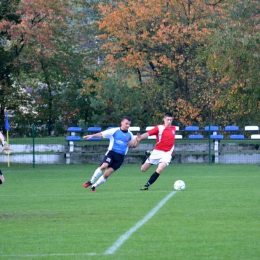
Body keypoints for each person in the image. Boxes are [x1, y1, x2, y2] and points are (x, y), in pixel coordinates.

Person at [82, 116, 139, 192]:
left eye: (129, 124)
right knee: (104, 165)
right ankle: (91, 181)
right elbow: (102, 134)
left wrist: (137, 141)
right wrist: (92, 135)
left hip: (120, 158)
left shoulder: (130, 135)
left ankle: (94, 186)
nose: (128, 125)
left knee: (106, 174)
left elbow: (134, 146)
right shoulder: (114, 131)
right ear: (121, 123)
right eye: (126, 123)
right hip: (112, 153)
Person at [136, 112, 176, 190]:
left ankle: (146, 186)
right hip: (157, 152)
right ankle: (148, 155)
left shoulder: (174, 128)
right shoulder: (159, 128)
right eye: (168, 119)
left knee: (160, 168)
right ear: (164, 119)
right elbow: (148, 133)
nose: (169, 121)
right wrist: (140, 137)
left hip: (167, 154)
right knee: (143, 169)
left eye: (171, 120)